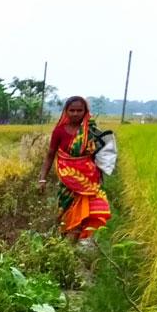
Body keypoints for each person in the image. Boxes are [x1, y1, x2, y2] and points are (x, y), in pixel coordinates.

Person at [42, 95, 112, 243]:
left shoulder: (91, 131)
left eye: (79, 110)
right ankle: (63, 242)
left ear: (85, 111)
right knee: (65, 210)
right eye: (71, 110)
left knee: (86, 212)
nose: (75, 113)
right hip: (67, 180)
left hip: (88, 180)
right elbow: (50, 154)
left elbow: (101, 154)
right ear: (66, 111)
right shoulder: (59, 131)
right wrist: (42, 178)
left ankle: (76, 243)